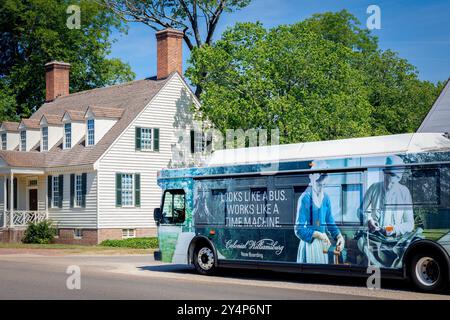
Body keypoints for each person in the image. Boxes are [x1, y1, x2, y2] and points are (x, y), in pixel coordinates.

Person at [356, 155, 420, 268]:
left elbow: (410, 224)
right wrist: (368, 220)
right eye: (387, 180)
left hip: (396, 239)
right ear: (384, 173)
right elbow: (360, 211)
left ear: (399, 178)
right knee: (362, 243)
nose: (389, 185)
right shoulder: (374, 188)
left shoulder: (404, 192)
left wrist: (391, 229)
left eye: (392, 182)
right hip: (374, 236)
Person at [294, 160, 345, 264]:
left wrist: (339, 236)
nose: (321, 187)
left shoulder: (326, 198)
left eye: (323, 184)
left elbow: (330, 222)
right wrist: (318, 234)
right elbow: (298, 229)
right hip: (309, 245)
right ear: (311, 178)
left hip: (322, 244)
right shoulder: (305, 198)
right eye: (318, 183)